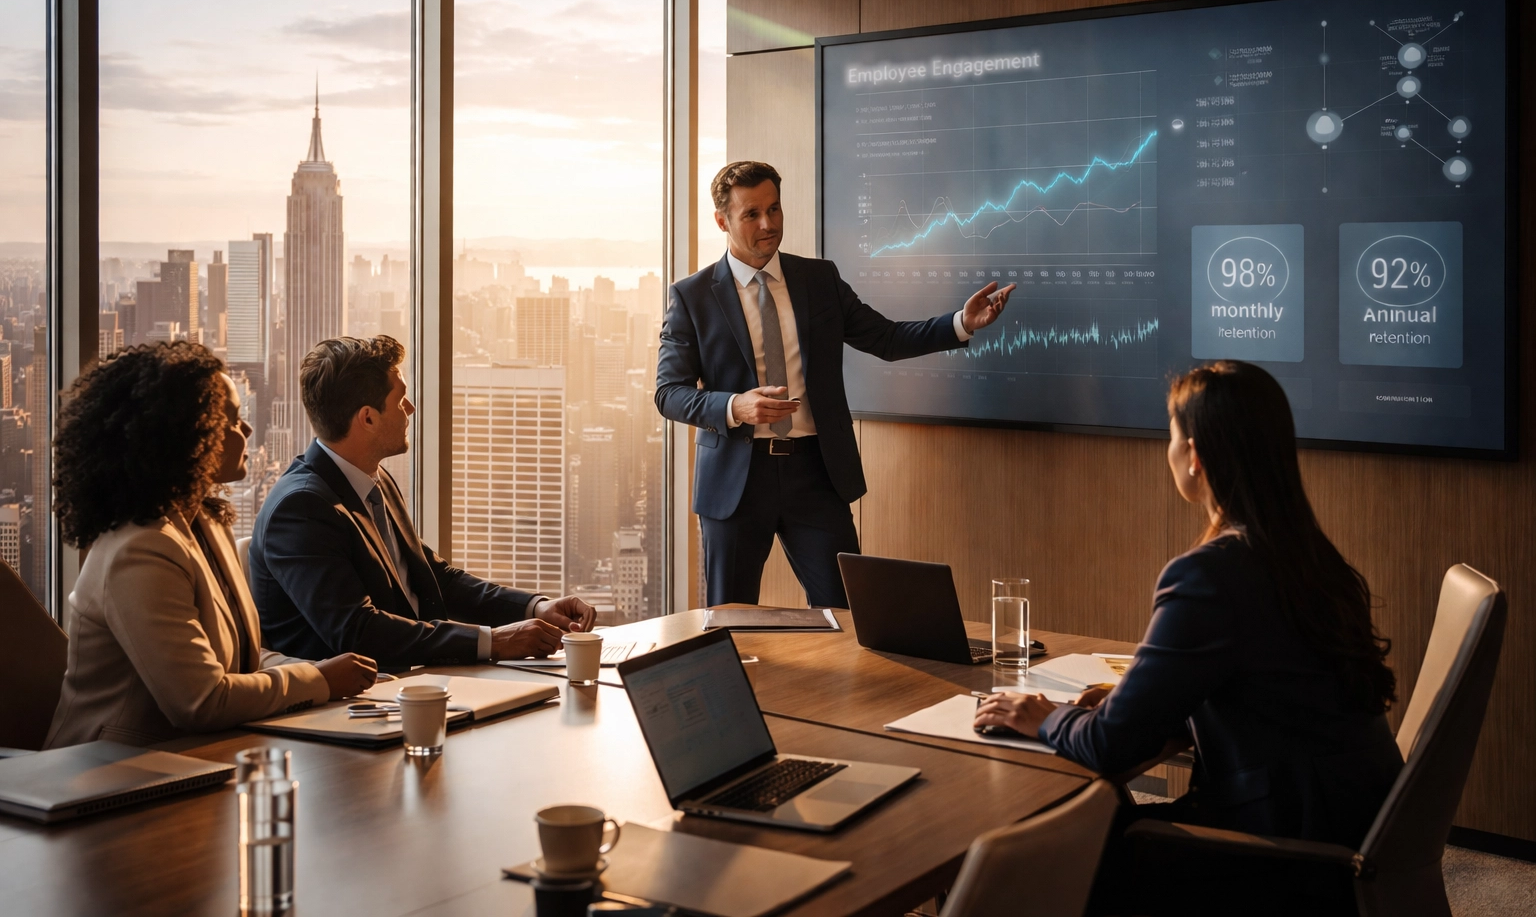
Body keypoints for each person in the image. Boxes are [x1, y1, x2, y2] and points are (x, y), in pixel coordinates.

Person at [974, 361, 1403, 905]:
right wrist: (1139, 702)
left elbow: (1109, 745)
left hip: (1278, 855)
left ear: (1195, 456)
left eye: (1171, 437)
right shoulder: (1313, 559)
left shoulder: (1210, 574)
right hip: (1342, 827)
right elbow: (1272, 691)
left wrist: (1042, 715)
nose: (1169, 451)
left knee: (1036, 855)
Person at [656, 161, 1015, 607]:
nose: (768, 224)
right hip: (735, 481)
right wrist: (734, 407)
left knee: (846, 615)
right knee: (731, 622)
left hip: (816, 474)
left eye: (774, 209)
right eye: (752, 215)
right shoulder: (691, 296)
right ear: (722, 220)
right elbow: (668, 393)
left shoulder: (818, 279)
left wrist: (961, 323)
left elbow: (885, 338)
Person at [46, 343, 377, 748]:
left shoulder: (205, 522)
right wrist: (321, 680)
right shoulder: (139, 551)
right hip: (106, 777)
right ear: (187, 435)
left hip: (193, 760)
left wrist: (332, 675)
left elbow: (241, 660)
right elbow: (201, 701)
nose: (248, 431)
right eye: (232, 420)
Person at [251, 335, 595, 669]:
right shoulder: (300, 510)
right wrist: (494, 642)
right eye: (400, 401)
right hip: (349, 705)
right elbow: (358, 632)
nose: (411, 409)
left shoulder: (373, 479)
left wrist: (535, 608)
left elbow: (433, 576)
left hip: (410, 678)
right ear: (367, 418)